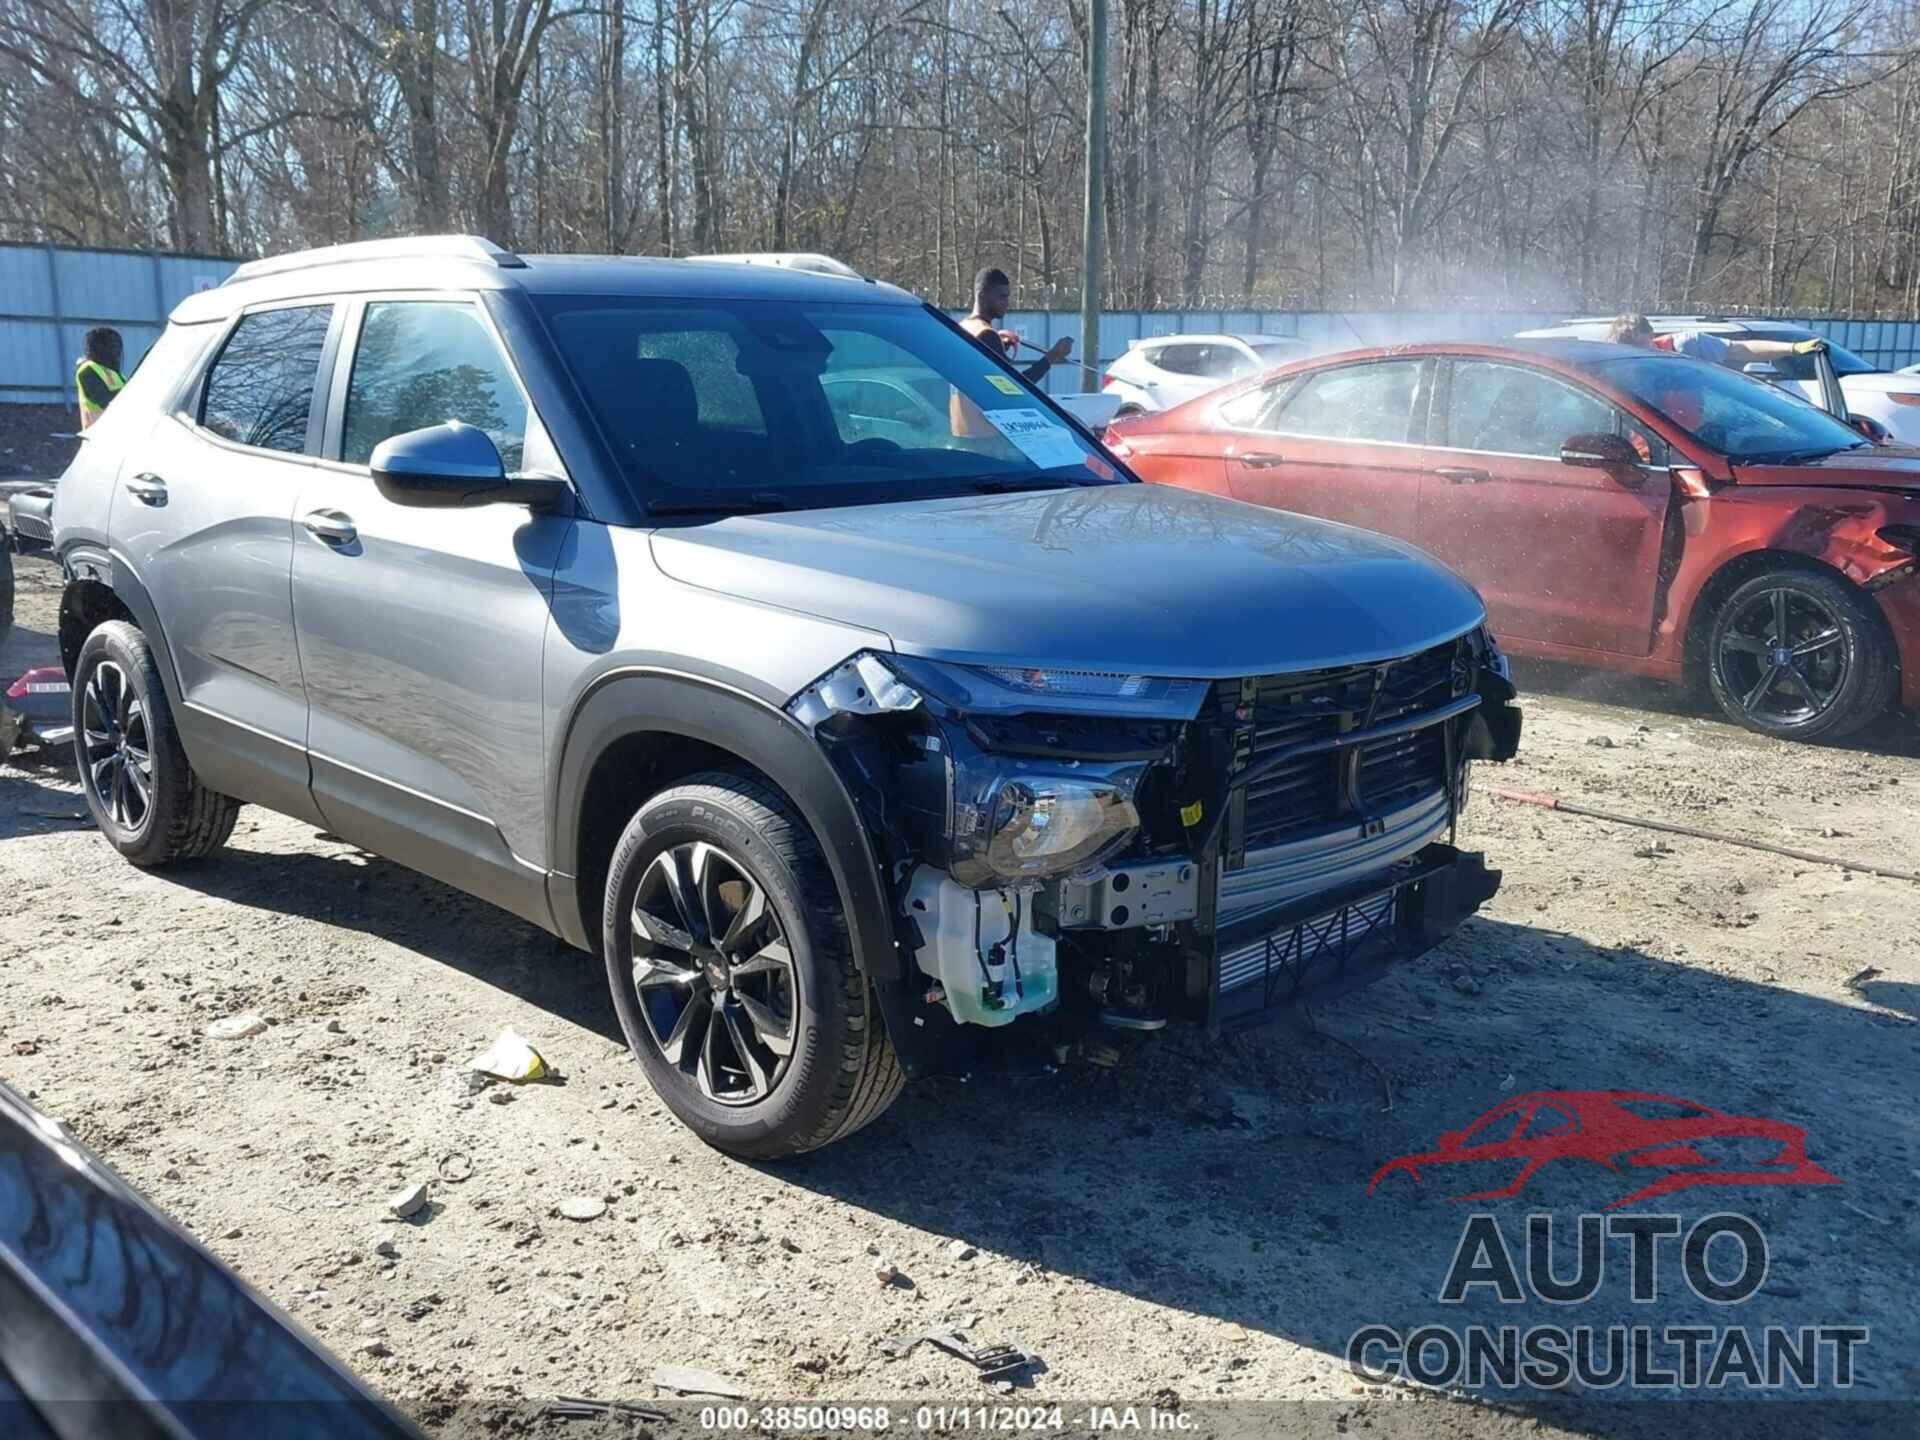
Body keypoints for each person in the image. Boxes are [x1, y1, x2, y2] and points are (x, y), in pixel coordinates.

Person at [961, 267, 1072, 383]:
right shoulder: (986, 335)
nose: (1007, 302)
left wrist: (999, 346)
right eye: (1002, 297)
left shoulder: (965, 326)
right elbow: (1016, 386)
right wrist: (1051, 357)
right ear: (981, 296)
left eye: (1007, 297)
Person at [1606, 313, 1826, 370]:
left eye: (1639, 344)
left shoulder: (1687, 346)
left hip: (1691, 444)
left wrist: (1793, 348)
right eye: (1628, 349)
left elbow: (1742, 350)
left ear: (1651, 335)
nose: (1636, 353)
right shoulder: (1614, 368)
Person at [75, 327, 125, 429]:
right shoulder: (87, 369)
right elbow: (105, 399)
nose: (116, 352)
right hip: (99, 437)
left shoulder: (116, 374)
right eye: (112, 346)